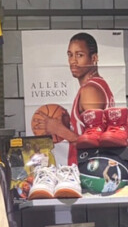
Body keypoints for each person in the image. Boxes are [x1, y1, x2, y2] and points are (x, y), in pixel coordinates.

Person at [39, 32, 114, 165]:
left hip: (90, 170)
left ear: (94, 58)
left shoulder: (90, 90)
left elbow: (95, 144)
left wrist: (59, 130)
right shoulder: (97, 85)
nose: (73, 61)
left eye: (79, 55)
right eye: (70, 55)